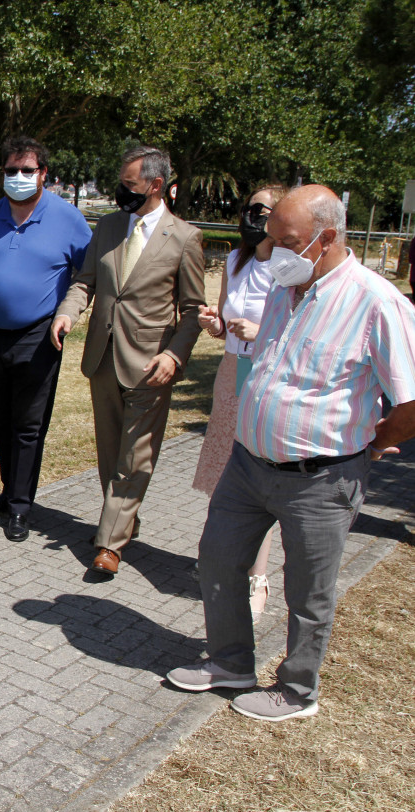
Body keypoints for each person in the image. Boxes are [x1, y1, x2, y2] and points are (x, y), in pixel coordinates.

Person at [166, 184, 415, 721]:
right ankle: (230, 662)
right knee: (218, 560)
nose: (273, 248)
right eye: (271, 235)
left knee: (308, 592)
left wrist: (374, 442)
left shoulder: (377, 302)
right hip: (249, 464)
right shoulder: (287, 286)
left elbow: (411, 399)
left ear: (326, 238)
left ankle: (298, 691)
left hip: (322, 479)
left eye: (287, 239)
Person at [51, 145, 205, 575]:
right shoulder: (109, 226)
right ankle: (123, 520)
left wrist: (175, 354)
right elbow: (86, 282)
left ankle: (109, 543)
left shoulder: (186, 238)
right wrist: (67, 313)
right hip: (102, 357)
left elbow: (192, 310)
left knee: (135, 457)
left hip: (151, 363)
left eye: (129, 184)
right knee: (110, 451)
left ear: (156, 185)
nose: (122, 191)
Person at [0, 136, 92, 542]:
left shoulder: (68, 218)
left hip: (39, 336)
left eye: (27, 170)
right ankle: (9, 490)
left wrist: (67, 315)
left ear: (43, 174)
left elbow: (87, 277)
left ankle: (22, 507)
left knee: (27, 426)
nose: (18, 177)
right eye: (10, 171)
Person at [193, 185, 287, 622]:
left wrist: (261, 332)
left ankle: (258, 577)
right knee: (225, 473)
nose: (251, 216)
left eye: (261, 209)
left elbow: (300, 330)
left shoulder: (291, 269)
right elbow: (225, 322)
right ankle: (224, 563)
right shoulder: (235, 261)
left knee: (256, 472)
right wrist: (215, 325)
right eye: (247, 207)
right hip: (233, 370)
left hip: (269, 372)